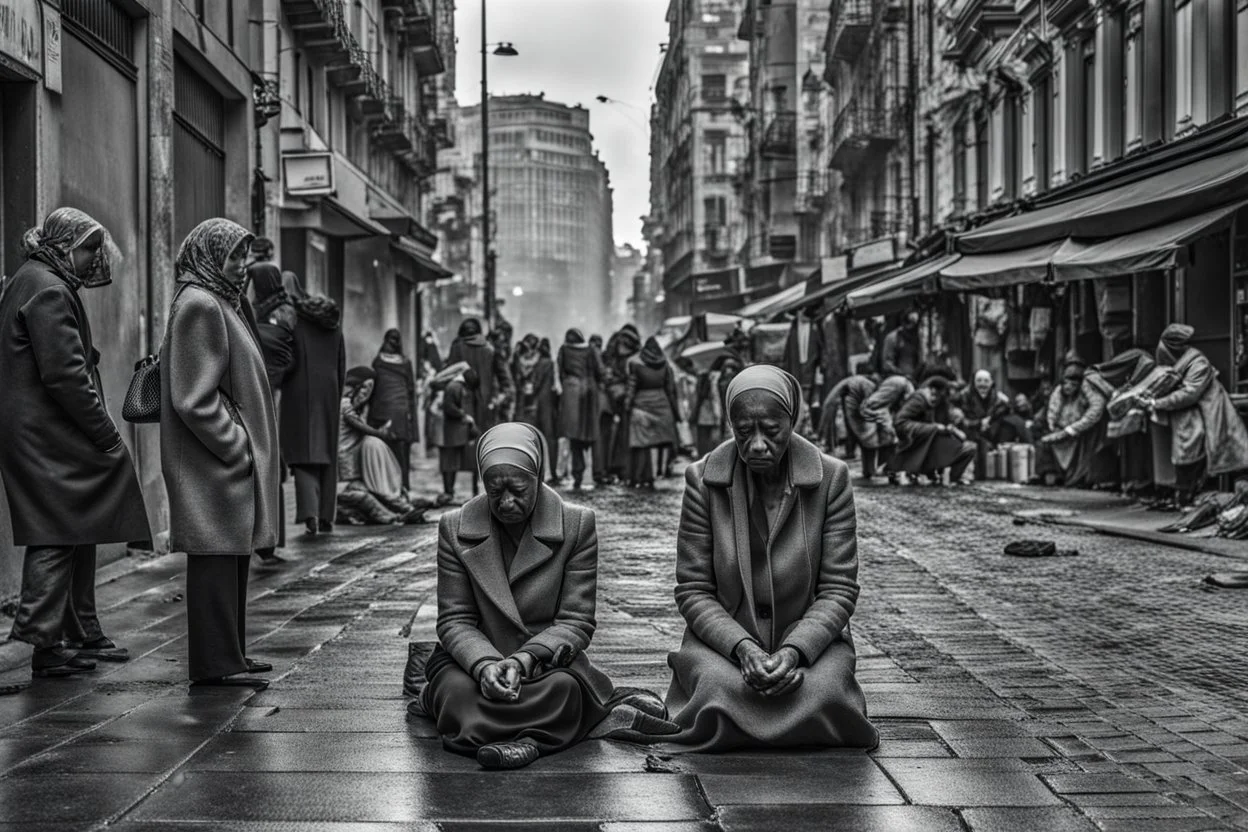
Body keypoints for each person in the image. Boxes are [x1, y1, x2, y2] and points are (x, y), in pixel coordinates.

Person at [417, 422, 675, 769]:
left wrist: (523, 660)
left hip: (544, 662)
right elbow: (455, 619)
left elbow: (576, 621)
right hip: (472, 662)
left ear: (538, 478)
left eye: (518, 489)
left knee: (564, 689)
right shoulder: (455, 527)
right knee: (456, 695)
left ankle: (527, 742)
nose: (506, 501)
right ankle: (574, 724)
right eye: (495, 491)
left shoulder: (576, 525)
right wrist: (485, 666)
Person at [663, 365, 879, 752]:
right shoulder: (702, 480)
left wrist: (794, 651)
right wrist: (743, 648)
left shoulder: (831, 479)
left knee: (825, 692)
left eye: (772, 431)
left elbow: (839, 589)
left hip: (810, 644)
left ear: (792, 421)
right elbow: (693, 589)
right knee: (717, 691)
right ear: (730, 425)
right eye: (744, 431)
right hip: (725, 646)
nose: (758, 445)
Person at [0, 207, 149, 679]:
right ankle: (33, 641)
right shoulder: (47, 287)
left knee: (68, 522)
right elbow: (65, 376)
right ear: (65, 246)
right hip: (46, 432)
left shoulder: (35, 278)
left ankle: (63, 636)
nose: (93, 258)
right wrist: (106, 435)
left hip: (39, 429)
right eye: (87, 248)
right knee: (57, 528)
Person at [161, 218, 279, 690]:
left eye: (244, 256)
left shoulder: (219, 299)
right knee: (214, 559)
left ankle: (231, 654)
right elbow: (192, 397)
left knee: (231, 557)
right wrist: (237, 445)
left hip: (223, 463)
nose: (243, 266)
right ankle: (216, 663)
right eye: (234, 256)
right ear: (210, 256)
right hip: (214, 463)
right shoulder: (201, 304)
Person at [1146, 324, 1248, 505]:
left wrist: (1157, 402)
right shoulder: (1185, 364)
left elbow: (1189, 394)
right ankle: (1190, 497)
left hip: (1207, 416)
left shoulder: (1197, 364)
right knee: (1190, 457)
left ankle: (1193, 498)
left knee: (1194, 457)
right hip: (1192, 419)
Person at [280, 281, 345, 537]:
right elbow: (341, 364)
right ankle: (328, 515)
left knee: (304, 455)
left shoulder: (297, 324)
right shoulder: (335, 327)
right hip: (329, 392)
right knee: (328, 456)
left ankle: (310, 516)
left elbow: (289, 361)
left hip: (299, 392)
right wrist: (337, 394)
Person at [337, 366, 435, 525]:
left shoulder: (355, 408)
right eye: (365, 388)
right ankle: (396, 516)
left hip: (354, 470)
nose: (366, 394)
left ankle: (403, 507)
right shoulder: (346, 405)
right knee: (367, 498)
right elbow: (360, 427)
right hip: (347, 472)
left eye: (370, 389)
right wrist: (381, 433)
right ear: (356, 385)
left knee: (375, 492)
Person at [1038, 361, 1115, 488]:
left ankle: (1084, 478)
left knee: (1088, 449)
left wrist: (1071, 430)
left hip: (1086, 428)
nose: (1068, 387)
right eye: (1066, 383)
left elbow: (1095, 411)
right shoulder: (1059, 391)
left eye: (1073, 384)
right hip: (1065, 428)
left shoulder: (1089, 388)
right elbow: (1053, 409)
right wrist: (1054, 428)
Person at [890, 375, 976, 485]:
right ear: (930, 390)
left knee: (969, 448)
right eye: (933, 394)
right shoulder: (918, 400)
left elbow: (946, 421)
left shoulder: (943, 402)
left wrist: (952, 426)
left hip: (934, 445)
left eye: (938, 395)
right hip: (917, 446)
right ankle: (921, 472)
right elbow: (900, 422)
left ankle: (951, 478)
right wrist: (933, 427)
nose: (934, 398)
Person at [626, 336, 681, 488]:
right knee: (661, 442)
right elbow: (670, 390)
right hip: (662, 406)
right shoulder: (665, 365)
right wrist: (676, 413)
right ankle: (656, 474)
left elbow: (631, 387)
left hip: (640, 407)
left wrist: (626, 405)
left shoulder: (635, 365)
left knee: (641, 444)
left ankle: (639, 477)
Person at [371, 329, 418, 491]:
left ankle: (384, 487)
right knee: (401, 454)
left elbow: (373, 389)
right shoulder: (406, 362)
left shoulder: (378, 361)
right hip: (401, 413)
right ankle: (403, 487)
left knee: (383, 452)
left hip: (381, 412)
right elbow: (410, 390)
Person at [822, 363, 889, 478]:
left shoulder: (855, 380)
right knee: (869, 440)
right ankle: (870, 470)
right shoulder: (866, 383)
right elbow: (871, 404)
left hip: (840, 409)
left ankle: (868, 470)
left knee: (865, 441)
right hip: (849, 411)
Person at [449, 318, 514, 437]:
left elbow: (448, 376)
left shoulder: (456, 348)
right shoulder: (490, 350)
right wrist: (497, 400)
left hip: (461, 407)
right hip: (486, 407)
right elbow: (506, 383)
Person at [558, 328, 602, 490]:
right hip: (590, 395)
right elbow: (600, 371)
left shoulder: (564, 351)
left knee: (575, 437)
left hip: (572, 395)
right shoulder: (591, 350)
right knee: (593, 435)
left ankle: (578, 473)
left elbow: (561, 372)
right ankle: (598, 472)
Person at [600, 324, 642, 483]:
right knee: (623, 435)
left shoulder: (613, 355)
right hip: (623, 398)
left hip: (618, 397)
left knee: (618, 435)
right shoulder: (634, 357)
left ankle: (617, 467)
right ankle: (622, 468)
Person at [513, 333, 558, 474]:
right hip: (541, 405)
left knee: (527, 439)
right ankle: (546, 471)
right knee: (544, 439)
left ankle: (529, 469)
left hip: (526, 405)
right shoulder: (545, 363)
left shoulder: (517, 362)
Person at [958, 369, 1014, 480]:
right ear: (973, 383)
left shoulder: (997, 397)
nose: (982, 384)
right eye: (979, 381)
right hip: (971, 432)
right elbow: (962, 419)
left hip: (990, 431)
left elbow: (1005, 411)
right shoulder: (964, 396)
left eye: (986, 381)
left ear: (991, 383)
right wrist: (979, 423)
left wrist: (1007, 403)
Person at [435, 362, 480, 502]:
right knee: (449, 463)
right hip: (451, 431)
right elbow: (449, 406)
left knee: (450, 463)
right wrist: (463, 415)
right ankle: (449, 491)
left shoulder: (455, 386)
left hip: (453, 431)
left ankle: (450, 491)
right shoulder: (454, 387)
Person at [860, 373, 913, 485]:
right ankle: (888, 469)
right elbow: (908, 400)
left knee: (887, 438)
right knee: (890, 437)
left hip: (875, 409)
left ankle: (887, 469)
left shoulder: (894, 385)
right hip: (875, 409)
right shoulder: (900, 385)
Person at [880, 311, 922, 381]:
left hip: (914, 379)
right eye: (910, 330)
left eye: (915, 329)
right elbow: (887, 364)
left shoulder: (916, 339)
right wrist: (902, 375)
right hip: (896, 379)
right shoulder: (892, 338)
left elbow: (920, 360)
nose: (912, 333)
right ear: (903, 324)